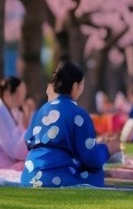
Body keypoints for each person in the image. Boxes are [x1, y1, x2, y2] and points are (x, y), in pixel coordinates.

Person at [22, 60, 121, 188]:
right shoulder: (78, 114)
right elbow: (91, 159)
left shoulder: (42, 109)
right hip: (55, 176)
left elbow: (28, 141)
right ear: (75, 86)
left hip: (29, 175)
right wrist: (106, 149)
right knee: (94, 173)